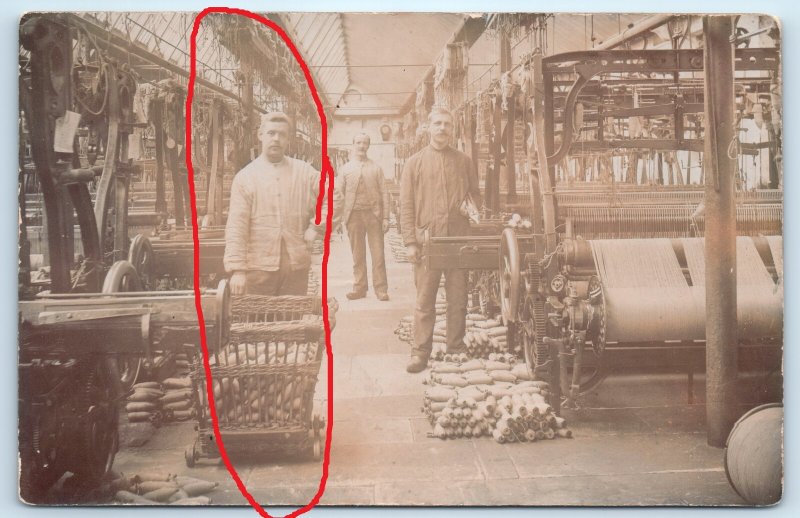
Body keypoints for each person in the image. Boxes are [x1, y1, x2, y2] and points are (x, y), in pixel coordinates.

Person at [400, 107, 480, 373]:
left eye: (447, 124)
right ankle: (420, 353)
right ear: (428, 127)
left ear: (452, 128)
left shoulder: (464, 162)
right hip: (428, 242)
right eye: (438, 123)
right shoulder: (414, 163)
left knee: (458, 299)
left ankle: (455, 348)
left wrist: (471, 210)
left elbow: (475, 195)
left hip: (458, 241)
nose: (442, 128)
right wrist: (410, 242)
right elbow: (406, 205)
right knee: (425, 301)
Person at [224, 112, 325, 296]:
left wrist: (316, 226)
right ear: (260, 135)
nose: (276, 139)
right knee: (258, 314)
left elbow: (333, 194)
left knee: (294, 313)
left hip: (295, 267)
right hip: (258, 269)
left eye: (282, 134)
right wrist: (238, 270)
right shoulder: (245, 177)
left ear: (288, 139)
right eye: (271, 133)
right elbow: (236, 227)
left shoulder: (303, 171)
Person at [334, 132, 390, 301]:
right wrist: (338, 219)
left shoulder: (376, 168)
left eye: (364, 143)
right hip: (353, 217)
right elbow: (338, 195)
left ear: (368, 146)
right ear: (353, 144)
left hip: (374, 216)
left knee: (378, 255)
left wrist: (385, 217)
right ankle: (359, 288)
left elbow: (384, 193)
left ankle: (381, 289)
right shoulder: (345, 169)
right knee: (357, 255)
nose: (361, 146)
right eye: (358, 142)